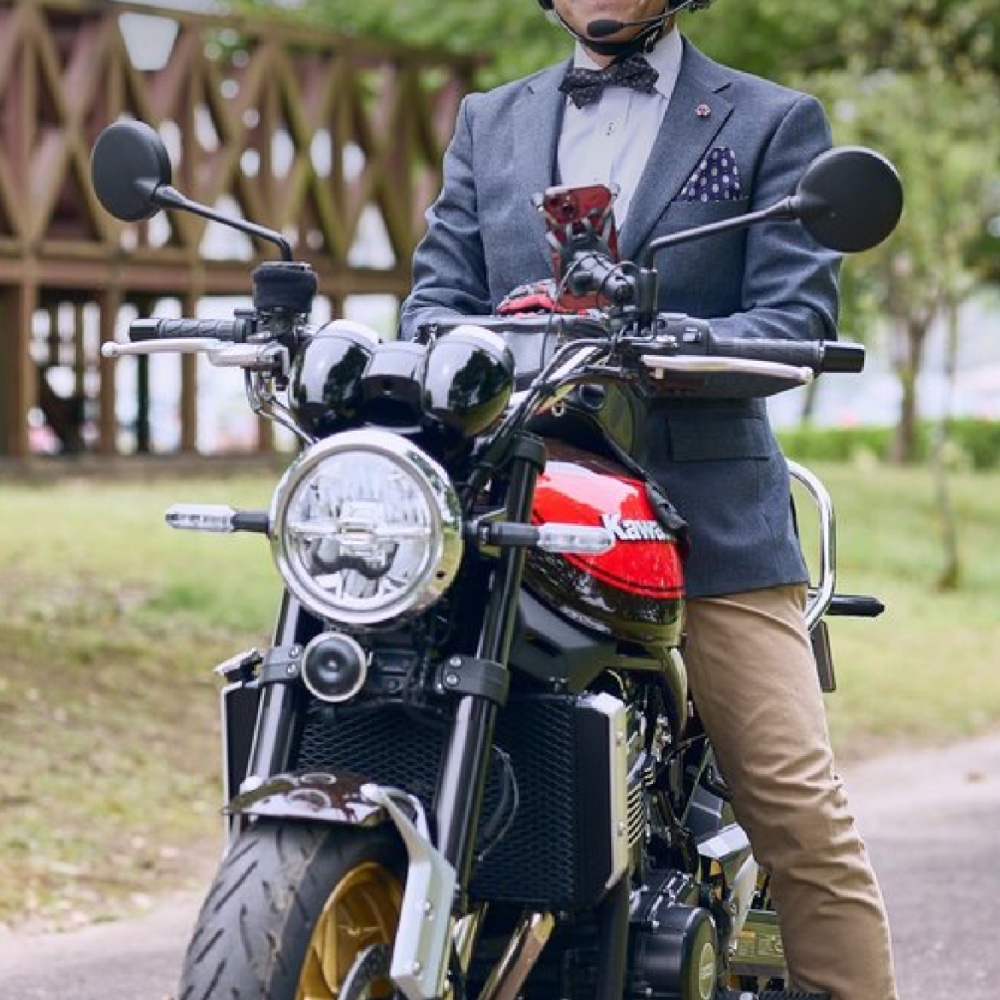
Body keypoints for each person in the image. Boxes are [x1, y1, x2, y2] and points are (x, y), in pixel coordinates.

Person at [399, 2, 898, 999]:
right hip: (519, 505)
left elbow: (794, 315)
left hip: (704, 518)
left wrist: (663, 339)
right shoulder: (490, 119)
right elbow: (432, 304)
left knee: (795, 805)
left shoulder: (770, 118)